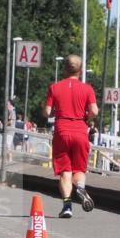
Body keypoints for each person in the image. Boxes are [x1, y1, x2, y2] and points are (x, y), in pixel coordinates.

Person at [44, 55, 98, 218]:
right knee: (79, 169)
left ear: (64, 69)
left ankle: (67, 206)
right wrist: (87, 118)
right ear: (80, 71)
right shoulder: (87, 88)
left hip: (62, 130)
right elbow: (94, 111)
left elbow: (47, 112)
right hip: (80, 130)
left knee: (65, 171)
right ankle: (80, 187)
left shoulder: (54, 87)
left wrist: (53, 111)